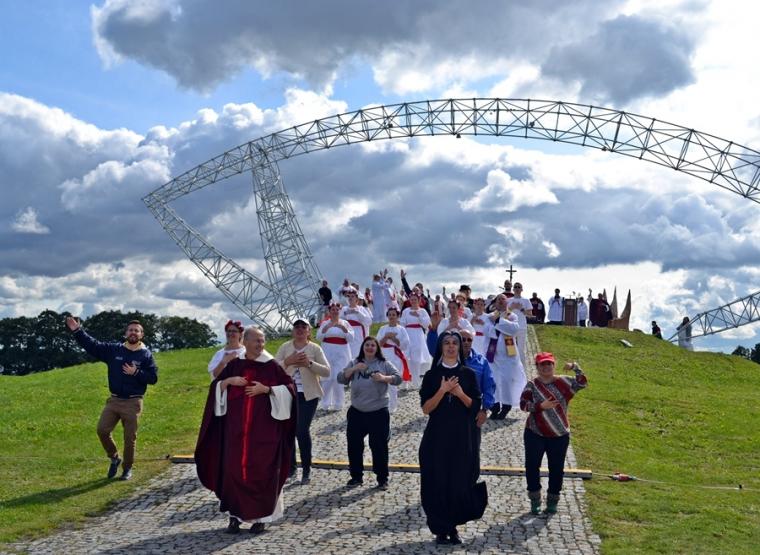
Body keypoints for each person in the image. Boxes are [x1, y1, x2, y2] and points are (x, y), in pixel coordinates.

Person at [195, 326, 296, 534]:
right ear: (246, 341)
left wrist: (267, 390)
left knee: (262, 473)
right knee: (233, 471)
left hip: (264, 434)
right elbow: (215, 386)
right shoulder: (235, 365)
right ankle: (234, 517)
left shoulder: (271, 366)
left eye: (263, 340)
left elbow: (290, 389)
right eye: (257, 340)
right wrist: (228, 382)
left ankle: (261, 518)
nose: (261, 344)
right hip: (236, 433)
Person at [65, 316, 158, 481]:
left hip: (133, 402)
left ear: (141, 335)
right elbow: (92, 345)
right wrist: (78, 331)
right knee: (102, 430)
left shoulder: (146, 355)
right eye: (130, 330)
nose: (133, 332)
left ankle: (127, 468)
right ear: (126, 333)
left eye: (137, 331)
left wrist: (136, 372)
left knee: (129, 438)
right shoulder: (114, 350)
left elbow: (153, 378)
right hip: (114, 401)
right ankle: (115, 458)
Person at [419, 331, 486, 545]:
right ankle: (440, 528)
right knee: (437, 482)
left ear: (459, 347)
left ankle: (453, 527)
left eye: (454, 343)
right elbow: (426, 409)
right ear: (441, 347)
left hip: (462, 437)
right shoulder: (432, 375)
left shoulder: (468, 374)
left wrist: (459, 393)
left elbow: (474, 406)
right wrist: (442, 391)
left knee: (459, 482)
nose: (450, 346)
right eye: (446, 343)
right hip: (437, 438)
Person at [520, 352, 587, 515]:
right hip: (535, 433)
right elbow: (523, 405)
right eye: (542, 364)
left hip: (559, 435)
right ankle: (535, 500)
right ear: (537, 367)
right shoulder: (532, 385)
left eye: (549, 364)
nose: (546, 367)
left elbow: (582, 383)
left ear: (554, 365)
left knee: (556, 469)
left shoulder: (564, 382)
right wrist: (540, 406)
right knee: (532, 467)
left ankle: (552, 500)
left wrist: (575, 367)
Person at [338, 336, 401, 489]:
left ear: (377, 348)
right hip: (357, 411)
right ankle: (356, 477)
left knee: (379, 446)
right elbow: (340, 378)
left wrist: (384, 378)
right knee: (354, 445)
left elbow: (398, 378)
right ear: (363, 347)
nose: (370, 348)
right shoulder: (354, 362)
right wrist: (354, 369)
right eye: (367, 345)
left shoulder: (384, 363)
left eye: (373, 345)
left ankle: (382, 478)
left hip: (378, 412)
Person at [275, 318, 331, 484]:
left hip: (308, 395)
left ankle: (306, 468)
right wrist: (288, 361)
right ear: (293, 331)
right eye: (296, 327)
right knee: (288, 431)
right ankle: (291, 468)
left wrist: (309, 363)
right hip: (287, 393)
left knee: (301, 430)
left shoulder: (315, 348)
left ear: (308, 331)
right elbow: (273, 368)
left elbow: (327, 371)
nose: (299, 329)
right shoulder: (285, 347)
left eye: (303, 327)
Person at [485, 294, 527, 420]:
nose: (500, 301)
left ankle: (506, 406)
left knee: (506, 381)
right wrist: (502, 326)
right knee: (493, 381)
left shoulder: (512, 316)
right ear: (495, 303)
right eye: (498, 299)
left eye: (503, 299)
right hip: (493, 355)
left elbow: (514, 329)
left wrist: (498, 321)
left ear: (507, 302)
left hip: (509, 356)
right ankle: (494, 406)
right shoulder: (490, 316)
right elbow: (488, 331)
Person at [317, 302, 354, 410]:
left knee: (338, 378)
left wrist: (343, 329)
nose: (335, 311)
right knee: (327, 378)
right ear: (329, 311)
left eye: (337, 309)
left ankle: (339, 403)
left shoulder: (345, 323)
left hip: (341, 352)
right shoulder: (325, 323)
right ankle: (325, 403)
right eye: (332, 309)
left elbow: (351, 338)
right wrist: (326, 328)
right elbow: (319, 337)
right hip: (328, 351)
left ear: (340, 311)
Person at [377, 307, 411, 410]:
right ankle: (382, 404)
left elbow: (405, 345)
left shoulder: (401, 329)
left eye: (394, 315)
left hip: (397, 356)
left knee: (392, 380)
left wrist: (394, 338)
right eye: (390, 315)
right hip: (384, 356)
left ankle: (392, 406)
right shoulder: (383, 328)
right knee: (382, 380)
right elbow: (378, 344)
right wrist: (386, 337)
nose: (391, 317)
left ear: (397, 316)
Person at [400, 294, 432, 388]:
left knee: (416, 359)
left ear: (419, 300)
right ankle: (405, 381)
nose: (413, 301)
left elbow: (426, 324)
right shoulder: (406, 311)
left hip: (418, 335)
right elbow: (402, 323)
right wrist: (402, 335)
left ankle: (416, 381)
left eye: (415, 299)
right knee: (405, 357)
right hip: (408, 334)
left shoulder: (422, 311)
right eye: (411, 299)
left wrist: (419, 316)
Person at [340, 289, 373, 358]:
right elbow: (340, 321)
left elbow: (369, 321)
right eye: (349, 296)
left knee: (358, 351)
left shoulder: (361, 309)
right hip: (348, 332)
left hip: (359, 334)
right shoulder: (344, 309)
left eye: (352, 296)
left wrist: (357, 313)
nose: (350, 298)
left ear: (356, 299)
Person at [509, 283, 533, 368]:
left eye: (519, 287)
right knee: (510, 348)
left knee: (521, 349)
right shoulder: (509, 300)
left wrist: (521, 309)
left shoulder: (526, 300)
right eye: (515, 287)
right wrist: (511, 308)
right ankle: (511, 367)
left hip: (522, 327)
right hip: (510, 327)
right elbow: (505, 314)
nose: (517, 288)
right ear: (513, 289)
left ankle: (522, 368)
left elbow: (530, 314)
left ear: (522, 289)